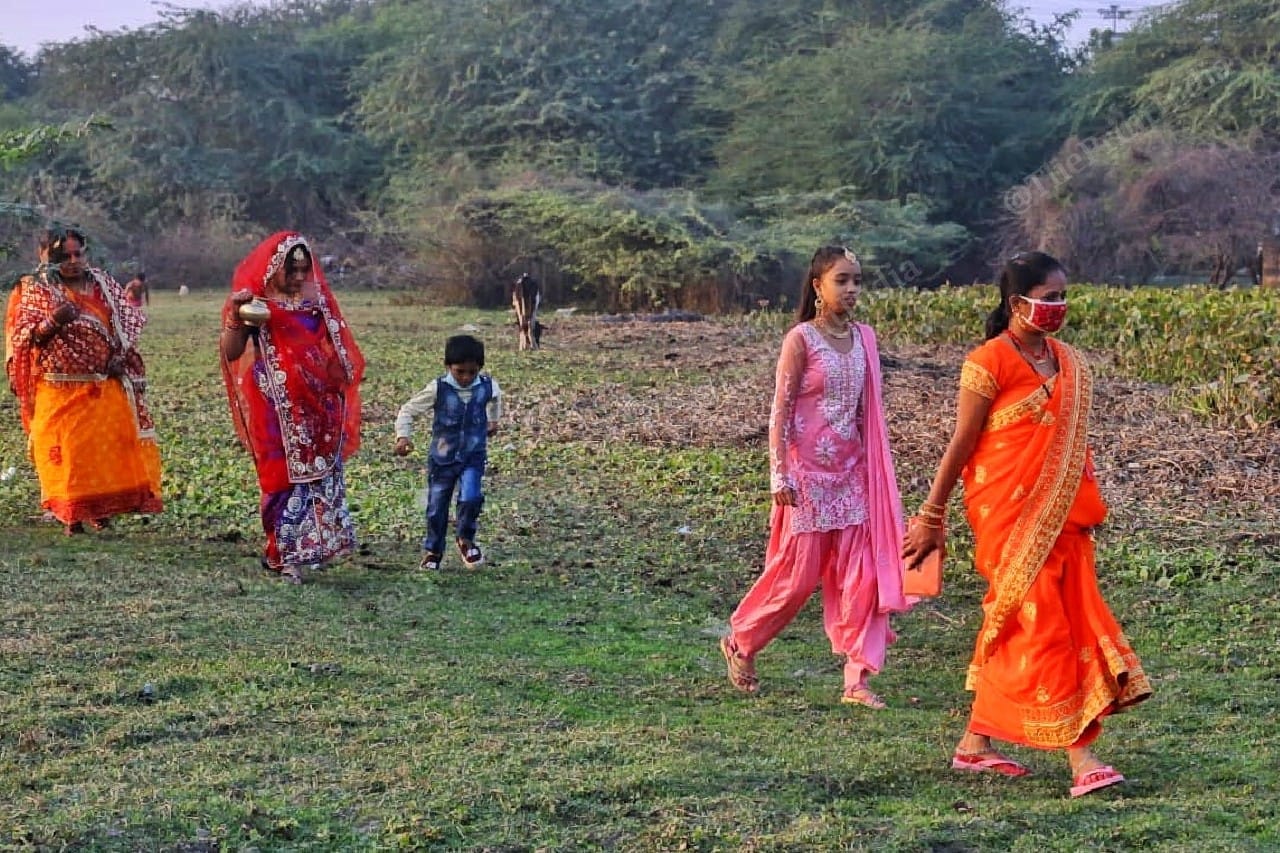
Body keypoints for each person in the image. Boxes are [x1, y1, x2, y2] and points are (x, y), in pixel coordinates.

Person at [902, 251, 1152, 796]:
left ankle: (975, 743)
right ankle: (1081, 756)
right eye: (1049, 298)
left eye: (1064, 296)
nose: (1059, 306)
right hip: (1008, 515)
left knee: (1042, 620)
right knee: (1042, 625)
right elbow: (962, 443)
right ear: (1017, 303)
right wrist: (931, 515)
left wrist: (1082, 502)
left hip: (1066, 517)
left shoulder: (1070, 362)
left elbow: (1073, 445)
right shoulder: (988, 361)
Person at [719, 245, 909, 707]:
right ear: (818, 286)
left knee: (862, 577)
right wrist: (778, 475)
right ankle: (742, 640)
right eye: (842, 280)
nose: (852, 289)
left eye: (857, 280)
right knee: (798, 577)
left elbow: (865, 412)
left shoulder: (864, 338)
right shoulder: (801, 339)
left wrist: (877, 472)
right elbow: (780, 410)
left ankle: (857, 680)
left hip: (853, 473)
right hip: (806, 475)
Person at [220, 231, 365, 584]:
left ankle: (309, 548)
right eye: (292, 270)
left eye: (304, 269)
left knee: (315, 475)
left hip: (317, 403)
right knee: (280, 476)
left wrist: (334, 382)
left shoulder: (317, 302)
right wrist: (236, 317)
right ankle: (281, 554)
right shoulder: (255, 304)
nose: (299, 277)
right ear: (274, 268)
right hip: (273, 404)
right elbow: (232, 352)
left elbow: (336, 349)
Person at [4, 226, 163, 533]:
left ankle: (101, 512)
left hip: (102, 384)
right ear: (46, 256)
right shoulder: (35, 289)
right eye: (64, 256)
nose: (73, 261)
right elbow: (25, 336)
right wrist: (54, 320)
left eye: (78, 254)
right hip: (58, 386)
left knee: (100, 452)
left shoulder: (103, 284)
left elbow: (125, 328)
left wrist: (119, 358)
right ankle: (71, 515)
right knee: (68, 453)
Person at [394, 334, 502, 571]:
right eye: (459, 372)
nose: (466, 377)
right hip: (442, 459)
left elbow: (495, 399)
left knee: (471, 497)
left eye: (472, 372)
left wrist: (493, 420)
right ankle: (434, 551)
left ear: (480, 368)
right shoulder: (438, 388)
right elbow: (408, 410)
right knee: (436, 508)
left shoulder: (487, 386)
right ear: (448, 366)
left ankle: (465, 539)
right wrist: (403, 436)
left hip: (473, 456)